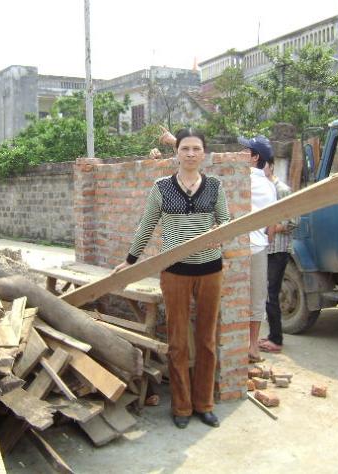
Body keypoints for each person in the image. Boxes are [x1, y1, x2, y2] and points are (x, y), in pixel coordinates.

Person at [113, 128, 230, 429]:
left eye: (196, 148)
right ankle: (181, 406)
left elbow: (226, 221)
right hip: (175, 272)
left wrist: (220, 235)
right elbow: (146, 225)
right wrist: (129, 261)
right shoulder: (162, 188)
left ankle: (204, 404)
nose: (190, 154)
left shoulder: (215, 186)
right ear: (176, 152)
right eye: (185, 148)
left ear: (204, 153)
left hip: (210, 270)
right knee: (178, 341)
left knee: (206, 340)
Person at [238, 135, 277, 363]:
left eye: (245, 151)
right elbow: (272, 226)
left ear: (255, 157)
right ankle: (253, 346)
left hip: (236, 246)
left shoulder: (241, 178)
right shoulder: (270, 186)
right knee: (257, 298)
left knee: (233, 295)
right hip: (259, 247)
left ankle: (234, 344)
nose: (240, 154)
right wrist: (263, 241)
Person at [260, 168, 296, 354]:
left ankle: (276, 340)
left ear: (271, 166)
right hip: (266, 249)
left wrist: (272, 228)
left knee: (271, 294)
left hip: (278, 250)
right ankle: (272, 335)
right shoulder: (263, 188)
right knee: (267, 294)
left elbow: (294, 221)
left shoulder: (282, 189)